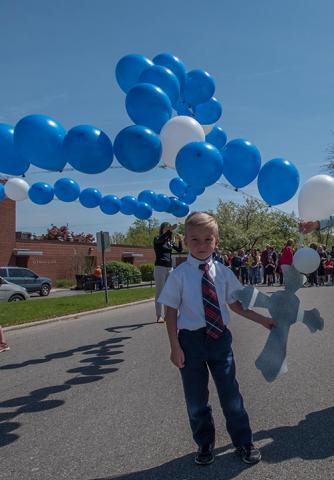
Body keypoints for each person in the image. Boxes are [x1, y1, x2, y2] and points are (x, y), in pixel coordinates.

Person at [158, 212, 276, 466]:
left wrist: (263, 320)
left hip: (220, 339)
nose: (201, 246)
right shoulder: (178, 275)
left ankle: (243, 441)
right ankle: (204, 444)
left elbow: (236, 306)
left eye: (207, 240)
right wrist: (174, 347)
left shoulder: (223, 272)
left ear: (216, 241)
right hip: (190, 342)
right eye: (195, 240)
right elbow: (170, 313)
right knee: (196, 399)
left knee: (230, 393)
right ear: (186, 241)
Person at [153, 222, 183, 323]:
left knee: (168, 291)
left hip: (169, 268)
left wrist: (180, 240)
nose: (169, 229)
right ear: (162, 228)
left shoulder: (169, 241)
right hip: (160, 267)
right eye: (167, 227)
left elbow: (179, 250)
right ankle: (158, 315)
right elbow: (161, 239)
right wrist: (169, 231)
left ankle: (167, 315)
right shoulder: (157, 239)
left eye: (170, 227)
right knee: (159, 291)